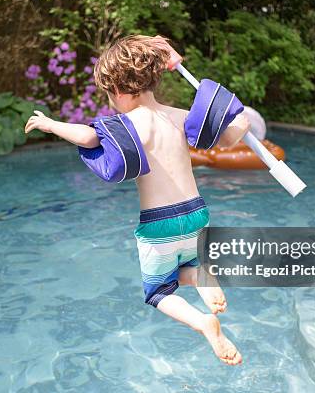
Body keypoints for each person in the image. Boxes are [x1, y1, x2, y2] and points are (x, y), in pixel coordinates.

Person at [25, 35, 250, 365]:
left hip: (159, 224)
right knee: (185, 264)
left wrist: (51, 124)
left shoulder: (127, 124)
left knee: (158, 291)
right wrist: (241, 121)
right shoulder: (179, 116)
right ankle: (202, 277)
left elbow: (89, 137)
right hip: (198, 215)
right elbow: (228, 136)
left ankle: (203, 323)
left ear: (116, 91)